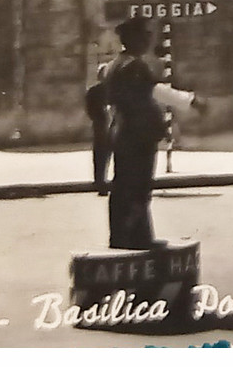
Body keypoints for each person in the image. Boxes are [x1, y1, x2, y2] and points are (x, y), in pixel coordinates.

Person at [102, 17, 206, 250]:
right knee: (138, 187)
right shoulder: (134, 66)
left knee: (124, 187)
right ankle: (136, 239)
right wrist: (191, 101)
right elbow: (155, 92)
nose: (149, 39)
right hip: (137, 135)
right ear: (132, 39)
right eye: (145, 35)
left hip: (124, 133)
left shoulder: (115, 65)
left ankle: (123, 237)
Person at [85, 62, 112, 195]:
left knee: (101, 154)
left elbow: (89, 110)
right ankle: (101, 181)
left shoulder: (95, 91)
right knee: (102, 154)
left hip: (104, 125)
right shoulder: (99, 91)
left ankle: (100, 181)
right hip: (104, 125)